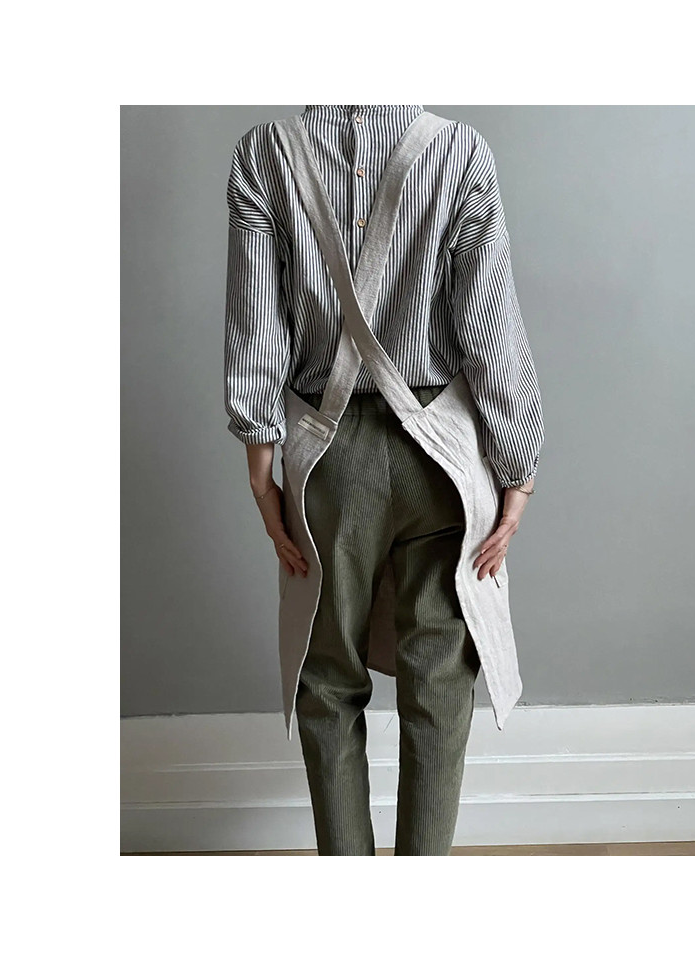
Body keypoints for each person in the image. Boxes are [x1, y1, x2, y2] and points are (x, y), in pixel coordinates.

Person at [224, 104, 544, 855]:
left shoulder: (265, 155)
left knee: (328, 681)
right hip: (440, 456)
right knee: (439, 682)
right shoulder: (460, 151)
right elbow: (489, 326)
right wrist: (517, 467)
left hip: (330, 461)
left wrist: (262, 471)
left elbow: (256, 326)